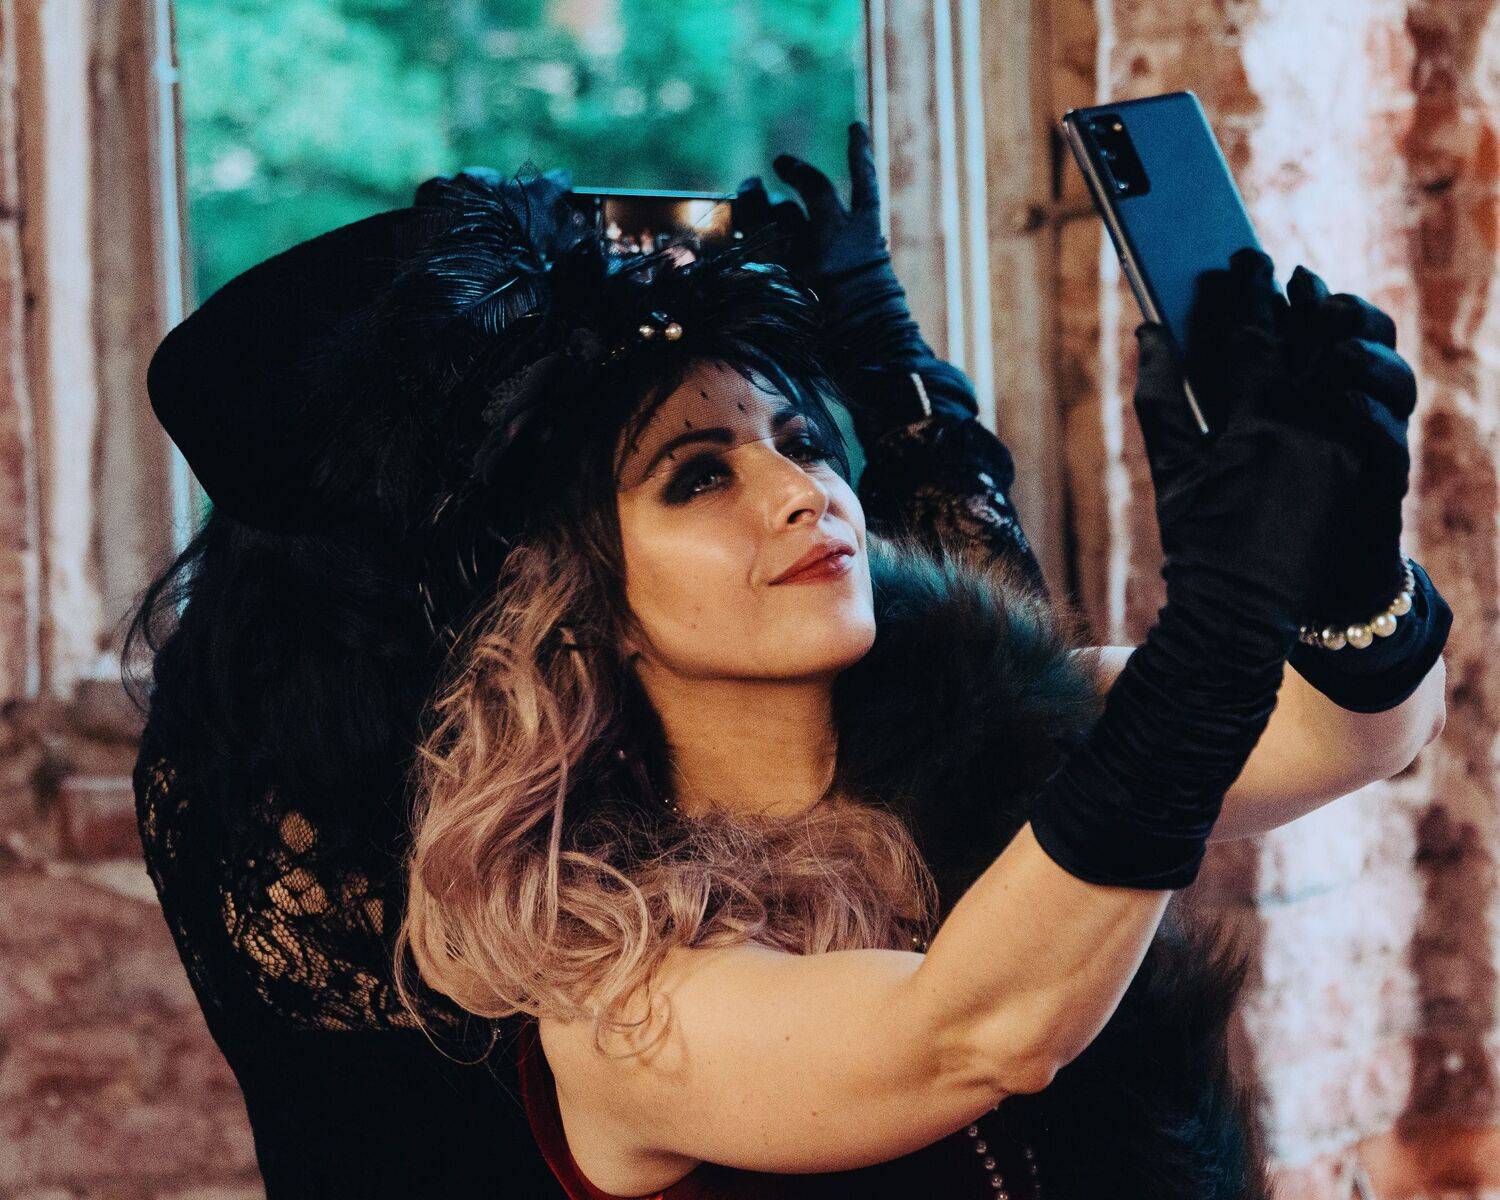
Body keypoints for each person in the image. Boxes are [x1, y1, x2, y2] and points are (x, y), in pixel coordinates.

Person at [128, 126, 1449, 1198]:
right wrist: (1219, 621)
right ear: (585, 601)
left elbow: (1352, 735)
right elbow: (973, 1033)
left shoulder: (984, 712)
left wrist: (1344, 561)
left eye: (804, 439)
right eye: (697, 477)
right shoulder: (609, 987)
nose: (803, 490)